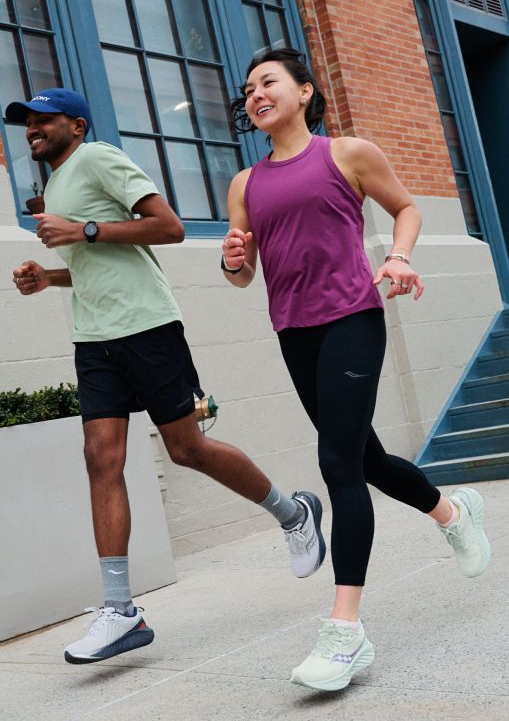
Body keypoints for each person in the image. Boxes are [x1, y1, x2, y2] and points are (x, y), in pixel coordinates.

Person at [8, 87, 326, 665]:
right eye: (26, 121)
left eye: (44, 119)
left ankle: (293, 512)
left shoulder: (99, 158)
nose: (32, 127)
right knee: (100, 458)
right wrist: (48, 278)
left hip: (149, 328)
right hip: (95, 338)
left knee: (187, 449)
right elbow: (96, 268)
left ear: (76, 125)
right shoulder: (53, 185)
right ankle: (120, 610)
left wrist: (83, 230)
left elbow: (170, 228)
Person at [223, 48, 491, 692]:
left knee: (338, 464)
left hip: (351, 318)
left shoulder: (345, 153)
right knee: (365, 459)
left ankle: (346, 632)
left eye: (271, 82)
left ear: (305, 90)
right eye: (250, 88)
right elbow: (241, 276)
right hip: (294, 331)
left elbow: (408, 208)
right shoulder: (244, 183)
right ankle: (453, 514)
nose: (258, 93)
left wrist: (398, 257)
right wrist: (234, 256)